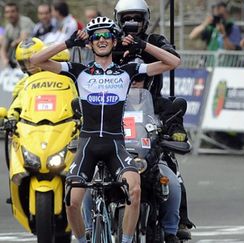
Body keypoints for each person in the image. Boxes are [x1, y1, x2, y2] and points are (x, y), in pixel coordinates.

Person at [29, 16, 180, 243]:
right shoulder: (79, 71)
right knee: (71, 201)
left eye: (107, 35)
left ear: (114, 41)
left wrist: (142, 45)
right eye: (96, 36)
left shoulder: (128, 71)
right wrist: (68, 43)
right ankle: (82, 240)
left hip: (115, 146)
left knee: (135, 191)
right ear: (89, 43)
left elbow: (173, 62)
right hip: (88, 145)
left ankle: (126, 240)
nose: (101, 39)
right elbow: (36, 59)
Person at [113, 0, 194, 240]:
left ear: (146, 19)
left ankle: (174, 226)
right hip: (115, 110)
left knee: (173, 179)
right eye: (127, 18)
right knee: (86, 183)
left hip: (152, 109)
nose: (132, 23)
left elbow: (173, 58)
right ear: (118, 19)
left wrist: (142, 45)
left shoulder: (156, 41)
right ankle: (90, 228)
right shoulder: (111, 42)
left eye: (137, 18)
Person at [1, 2, 35, 68]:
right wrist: (5, 60)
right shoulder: (8, 27)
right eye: (7, 12)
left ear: (18, 12)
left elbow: (23, 39)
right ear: (5, 14)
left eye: (12, 11)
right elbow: (3, 48)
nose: (10, 15)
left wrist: (13, 43)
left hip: (34, 54)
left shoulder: (25, 21)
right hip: (23, 57)